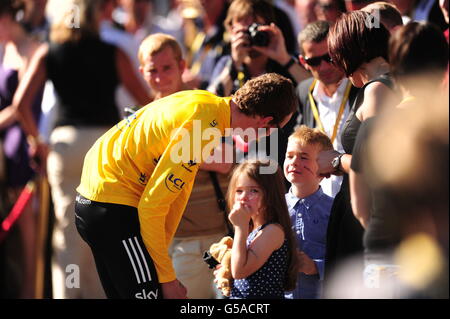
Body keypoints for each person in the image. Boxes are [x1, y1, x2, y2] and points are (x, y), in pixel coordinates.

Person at [74, 72, 297, 299]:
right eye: (274, 129)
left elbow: (178, 192)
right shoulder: (204, 126)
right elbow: (152, 207)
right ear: (266, 121)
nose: (268, 136)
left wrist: (164, 264)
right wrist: (167, 279)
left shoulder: (208, 105)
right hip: (113, 207)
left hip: (97, 201)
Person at [2, 0, 152, 299]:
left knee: (68, 234)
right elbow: (146, 102)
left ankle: (69, 294)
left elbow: (20, 104)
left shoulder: (49, 52)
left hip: (65, 145)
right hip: (104, 146)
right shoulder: (112, 53)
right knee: (102, 229)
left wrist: (37, 142)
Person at [347, 21, 448, 297]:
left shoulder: (373, 127)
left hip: (383, 259)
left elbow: (359, 206)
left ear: (396, 67)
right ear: (443, 66)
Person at [138, 32, 232, 299]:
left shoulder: (204, 104)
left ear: (182, 67)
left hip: (221, 234)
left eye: (167, 68)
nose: (160, 77)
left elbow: (224, 160)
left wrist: (165, 151)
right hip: (178, 239)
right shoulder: (143, 118)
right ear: (142, 72)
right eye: (152, 70)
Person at [315, 10, 398, 295]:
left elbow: (378, 166)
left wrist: (336, 161)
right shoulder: (387, 84)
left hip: (368, 225)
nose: (335, 64)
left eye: (335, 55)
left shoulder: (378, 90)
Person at [0, 0, 43, 298]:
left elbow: (20, 105)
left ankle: (32, 287)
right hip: (6, 144)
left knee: (30, 227)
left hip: (24, 143)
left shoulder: (31, 48)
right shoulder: (6, 51)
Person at [296, 20, 359, 198]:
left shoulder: (362, 87)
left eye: (329, 57)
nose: (323, 66)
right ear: (303, 61)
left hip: (359, 196)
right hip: (322, 201)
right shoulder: (304, 92)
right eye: (314, 61)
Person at [222, 159, 298, 299]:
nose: (244, 197)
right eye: (239, 191)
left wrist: (240, 227)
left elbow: (240, 271)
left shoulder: (272, 231)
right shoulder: (253, 229)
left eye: (254, 191)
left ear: (270, 195)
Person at [207, 0, 309, 97]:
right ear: (231, 31)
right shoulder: (226, 64)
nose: (252, 37)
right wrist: (234, 65)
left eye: (256, 30)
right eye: (245, 31)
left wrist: (284, 59)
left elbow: (315, 89)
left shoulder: (289, 62)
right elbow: (210, 103)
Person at [283, 125, 334, 299]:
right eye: (289, 156)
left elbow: (348, 260)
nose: (294, 162)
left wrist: (315, 266)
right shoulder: (272, 207)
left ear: (324, 169)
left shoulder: (334, 210)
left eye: (304, 157)